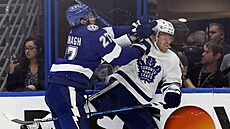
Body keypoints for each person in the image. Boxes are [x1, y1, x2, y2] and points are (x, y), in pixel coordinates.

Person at [45, 4, 154, 129]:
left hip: (55, 90)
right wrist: (141, 48)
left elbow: (111, 34)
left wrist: (133, 30)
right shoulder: (92, 32)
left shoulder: (76, 32)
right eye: (90, 16)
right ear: (82, 20)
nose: (94, 18)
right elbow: (119, 57)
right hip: (68, 90)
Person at [89, 19, 182, 129]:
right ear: (153, 36)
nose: (168, 41)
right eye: (164, 36)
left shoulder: (172, 58)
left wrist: (172, 92)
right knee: (86, 113)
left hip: (138, 101)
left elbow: (173, 80)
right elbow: (109, 47)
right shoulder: (140, 44)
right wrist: (134, 33)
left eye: (170, 37)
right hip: (120, 90)